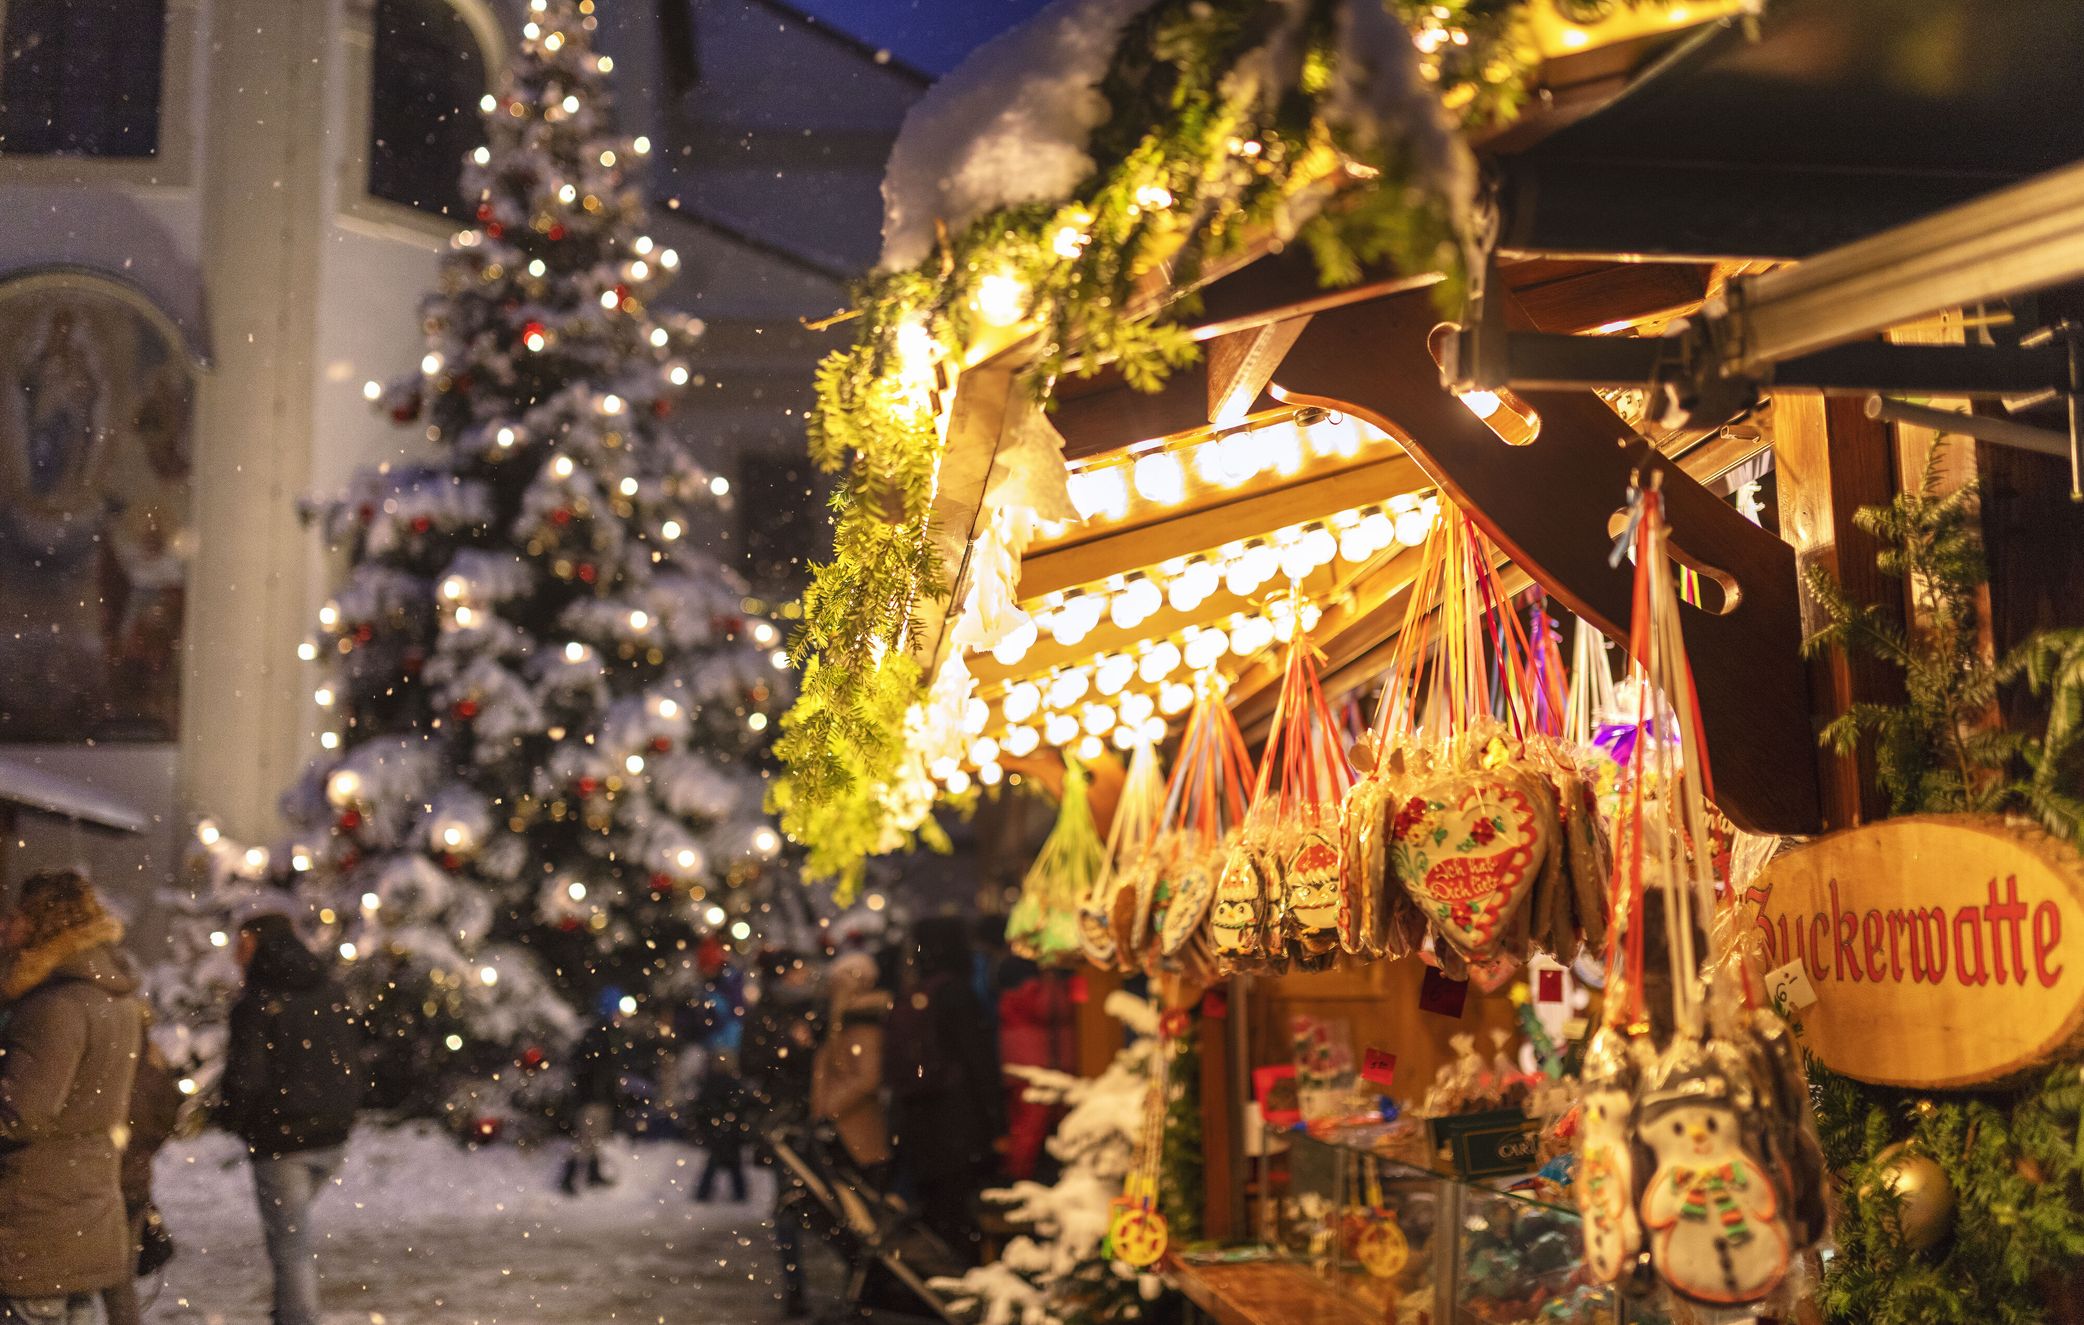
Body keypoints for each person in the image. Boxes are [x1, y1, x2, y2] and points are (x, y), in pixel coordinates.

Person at [0, 870, 147, 1325]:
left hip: (37, 1223)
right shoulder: (111, 996)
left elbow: (23, 1113)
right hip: (83, 1212)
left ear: (43, 921)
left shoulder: (53, 1006)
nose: (6, 927)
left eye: (17, 916)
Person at [219, 909, 363, 1325]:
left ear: (256, 944)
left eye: (241, 944)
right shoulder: (328, 990)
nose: (235, 955)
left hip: (282, 1138)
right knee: (293, 1234)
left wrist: (234, 1117)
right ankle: (291, 1311)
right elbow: (350, 1056)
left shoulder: (258, 1003)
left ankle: (297, 1316)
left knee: (290, 1244)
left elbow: (245, 1077)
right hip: (330, 1132)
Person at [883, 917, 1003, 1265]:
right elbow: (978, 1060)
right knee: (961, 1217)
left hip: (921, 1123)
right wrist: (997, 1125)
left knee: (936, 1215)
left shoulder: (918, 992)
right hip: (958, 1124)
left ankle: (935, 1289)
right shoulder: (956, 993)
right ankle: (960, 1291)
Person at [741, 950, 822, 1318]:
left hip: (820, 1119)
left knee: (831, 1202)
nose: (803, 976)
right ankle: (795, 1289)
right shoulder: (765, 1014)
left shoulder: (818, 1008)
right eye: (797, 971)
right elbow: (750, 1063)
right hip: (784, 1123)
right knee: (788, 1203)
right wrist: (786, 1047)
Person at [104, 1016, 185, 1325]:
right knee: (119, 1279)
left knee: (79, 1281)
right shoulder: (149, 1066)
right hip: (133, 1183)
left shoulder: (106, 1068)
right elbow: (166, 1121)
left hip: (105, 1184)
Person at [810, 951, 890, 1184]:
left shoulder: (860, 1020)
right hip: (847, 1126)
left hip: (856, 1127)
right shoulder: (845, 1018)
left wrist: (829, 1108)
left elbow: (868, 1076)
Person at [995, 958, 1073, 1183]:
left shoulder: (1009, 999)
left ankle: (1017, 1172)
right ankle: (1020, 1175)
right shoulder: (1039, 993)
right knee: (1032, 1126)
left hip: (1021, 1067)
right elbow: (1051, 1008)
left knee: (1023, 1126)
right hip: (1039, 1067)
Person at [563, 1001, 627, 1194]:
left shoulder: (605, 1034)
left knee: (594, 1138)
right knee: (586, 1139)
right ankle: (569, 1178)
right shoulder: (597, 1035)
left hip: (599, 1096)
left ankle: (592, 1174)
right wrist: (596, 1090)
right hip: (593, 1097)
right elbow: (590, 1067)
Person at [691, 1049, 749, 1203]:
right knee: (732, 1165)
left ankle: (703, 1196)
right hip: (728, 1132)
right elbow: (741, 1108)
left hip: (717, 1132)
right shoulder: (733, 1084)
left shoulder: (711, 1083)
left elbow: (700, 1110)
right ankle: (740, 1196)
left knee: (717, 1164)